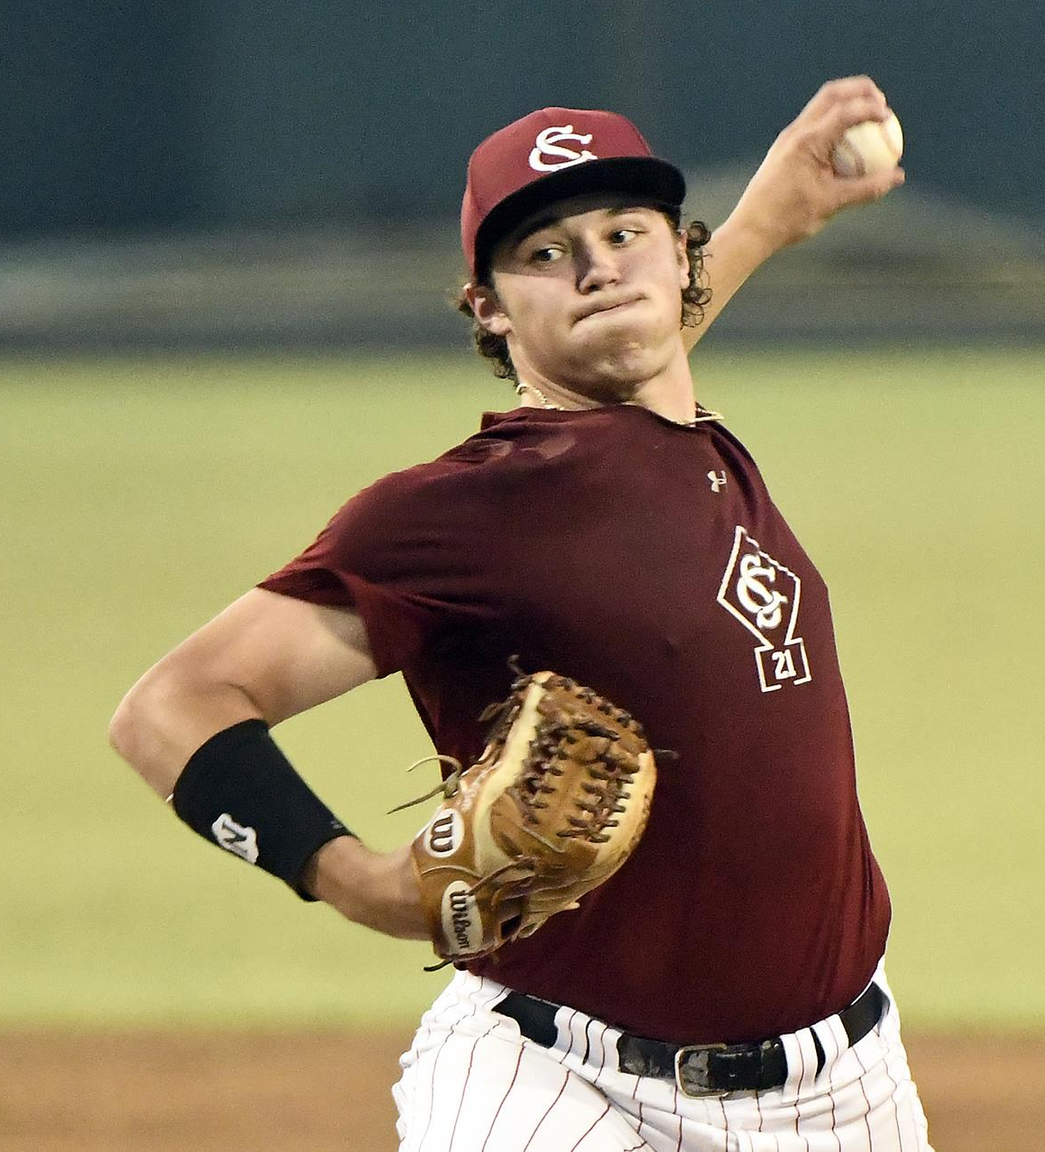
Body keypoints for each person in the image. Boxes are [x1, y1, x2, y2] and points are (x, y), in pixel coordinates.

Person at [109, 77, 931, 1150]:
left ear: (678, 258)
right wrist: (359, 881)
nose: (596, 267)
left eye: (624, 231)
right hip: (558, 1081)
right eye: (544, 253)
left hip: (848, 1090)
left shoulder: (673, 429)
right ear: (487, 307)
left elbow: (638, 348)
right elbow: (168, 707)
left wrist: (769, 214)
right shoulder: (469, 507)